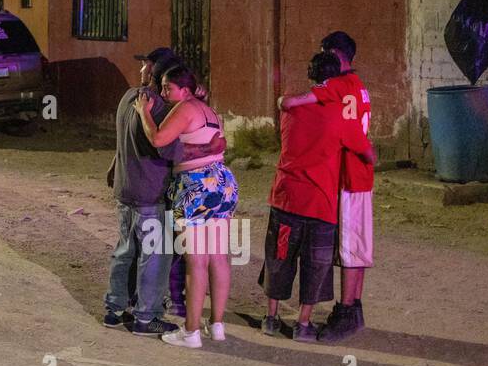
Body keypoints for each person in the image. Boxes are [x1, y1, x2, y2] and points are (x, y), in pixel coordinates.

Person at [263, 51, 376, 342]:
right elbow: (368, 153)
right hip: (320, 204)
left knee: (279, 258)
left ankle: (271, 318)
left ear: (312, 77)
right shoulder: (340, 118)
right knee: (316, 265)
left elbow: (287, 101)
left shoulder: (289, 108)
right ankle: (303, 325)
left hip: (285, 198)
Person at [137, 64, 235, 349]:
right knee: (218, 257)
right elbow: (216, 146)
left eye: (169, 88)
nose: (165, 93)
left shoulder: (184, 108)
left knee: (196, 262)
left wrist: (144, 112)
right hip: (221, 181)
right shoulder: (210, 111)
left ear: (186, 90)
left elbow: (158, 139)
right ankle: (216, 325)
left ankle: (191, 332)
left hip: (194, 186)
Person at [103, 47, 181, 337]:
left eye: (145, 65)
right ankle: (147, 317)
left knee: (125, 251)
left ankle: (114, 310)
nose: (141, 70)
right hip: (149, 193)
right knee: (155, 255)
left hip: (125, 189)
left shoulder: (127, 97)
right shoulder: (158, 108)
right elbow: (171, 150)